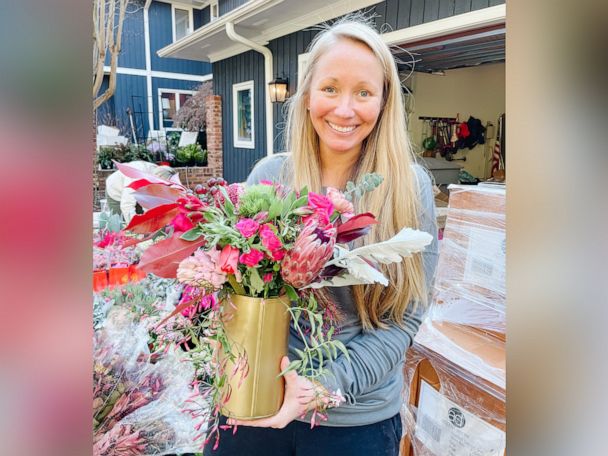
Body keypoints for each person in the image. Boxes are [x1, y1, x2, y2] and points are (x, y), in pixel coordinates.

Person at [204, 16, 438, 456]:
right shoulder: (269, 177)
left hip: (354, 422)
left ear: (384, 102)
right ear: (307, 94)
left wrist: (318, 386)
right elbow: (233, 295)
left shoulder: (409, 188)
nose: (345, 110)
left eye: (364, 92)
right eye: (330, 88)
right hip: (255, 402)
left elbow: (404, 319)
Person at [104, 160, 179, 223]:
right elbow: (127, 205)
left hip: (139, 191)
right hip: (116, 191)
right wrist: (134, 227)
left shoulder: (159, 172)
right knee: (119, 224)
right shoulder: (135, 176)